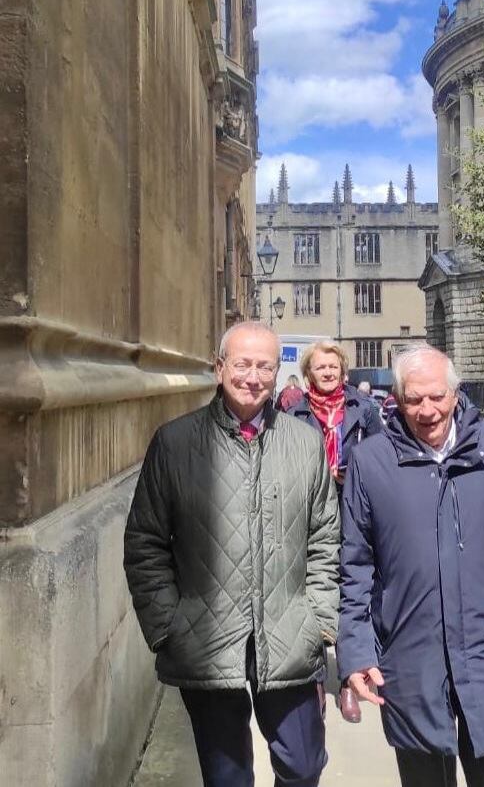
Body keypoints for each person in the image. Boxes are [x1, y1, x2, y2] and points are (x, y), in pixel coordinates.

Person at [124, 322, 340, 787]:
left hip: (290, 639)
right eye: (242, 364)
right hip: (205, 644)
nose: (253, 376)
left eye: (265, 365)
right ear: (220, 368)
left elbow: (325, 537)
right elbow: (145, 543)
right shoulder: (174, 443)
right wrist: (168, 628)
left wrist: (319, 620)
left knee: (304, 767)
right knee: (227, 778)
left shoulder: (304, 444)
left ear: (278, 372)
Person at [337, 344, 484, 787]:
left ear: (455, 394)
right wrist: (356, 652)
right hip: (410, 651)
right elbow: (355, 565)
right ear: (396, 399)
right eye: (413, 399)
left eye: (436, 396)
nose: (427, 409)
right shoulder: (370, 460)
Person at [288, 340, 383, 724]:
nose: (327, 372)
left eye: (333, 367)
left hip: (353, 510)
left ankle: (347, 679)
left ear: (343, 372)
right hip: (308, 514)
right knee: (310, 590)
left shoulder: (366, 410)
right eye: (319, 367)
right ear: (308, 373)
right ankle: (313, 679)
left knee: (351, 590)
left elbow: (382, 459)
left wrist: (355, 471)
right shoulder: (292, 413)